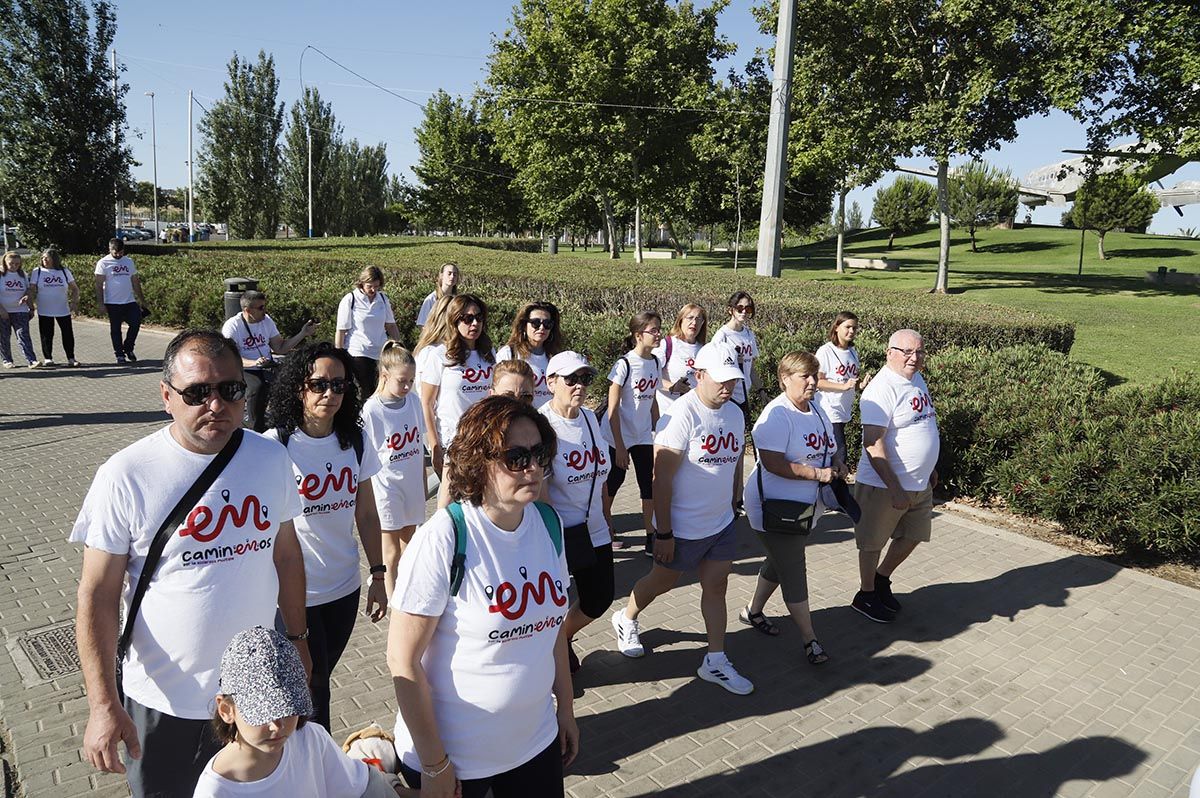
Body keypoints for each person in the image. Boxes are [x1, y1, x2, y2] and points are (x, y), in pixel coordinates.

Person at [71, 329, 308, 797]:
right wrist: (102, 704)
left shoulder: (270, 457)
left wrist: (298, 642)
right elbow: (96, 594)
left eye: (230, 389)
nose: (216, 404)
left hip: (253, 695)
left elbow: (285, 555)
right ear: (167, 396)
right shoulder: (127, 475)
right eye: (197, 392)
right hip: (165, 699)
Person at [387, 396, 578, 797]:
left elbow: (553, 631)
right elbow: (402, 660)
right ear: (479, 461)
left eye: (539, 454)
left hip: (536, 742)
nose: (533, 468)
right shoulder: (444, 537)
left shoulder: (548, 523)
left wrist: (567, 710)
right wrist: (434, 763)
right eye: (516, 457)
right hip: (458, 760)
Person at [611, 342, 755, 695]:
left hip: (720, 523)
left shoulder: (735, 413)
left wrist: (736, 498)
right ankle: (626, 617)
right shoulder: (681, 416)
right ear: (699, 376)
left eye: (733, 380)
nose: (728, 386)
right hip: (682, 528)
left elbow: (735, 458)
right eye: (721, 380)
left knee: (716, 586)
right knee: (660, 582)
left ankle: (715, 660)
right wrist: (663, 532)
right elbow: (660, 479)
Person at [264, 341, 389, 731]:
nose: (329, 394)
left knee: (319, 679)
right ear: (299, 387)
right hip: (296, 594)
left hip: (345, 587)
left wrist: (379, 574)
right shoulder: (274, 446)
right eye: (318, 384)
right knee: (314, 687)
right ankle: (314, 768)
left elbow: (367, 514)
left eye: (339, 385)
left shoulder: (355, 441)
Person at [195, 626, 411, 797]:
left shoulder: (311, 738)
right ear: (226, 710)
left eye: (288, 708)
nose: (276, 725)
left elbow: (363, 787)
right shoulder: (215, 792)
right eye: (262, 712)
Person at [741, 351, 847, 665]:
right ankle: (810, 640)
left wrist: (837, 463)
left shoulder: (816, 409)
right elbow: (773, 463)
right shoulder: (776, 415)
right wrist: (816, 473)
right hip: (773, 509)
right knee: (793, 569)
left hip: (804, 510)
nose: (813, 382)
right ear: (785, 379)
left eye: (815, 375)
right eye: (805, 376)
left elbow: (828, 447)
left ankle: (753, 611)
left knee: (779, 561)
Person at [851, 329, 940, 624]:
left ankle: (881, 579)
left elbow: (923, 423)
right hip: (883, 485)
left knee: (914, 535)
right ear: (890, 353)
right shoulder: (881, 388)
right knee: (872, 543)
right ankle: (865, 595)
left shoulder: (916, 378)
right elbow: (873, 442)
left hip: (919, 483)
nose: (914, 358)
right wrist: (894, 488)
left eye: (919, 352)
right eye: (907, 352)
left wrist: (930, 467)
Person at [539, 352, 613, 675]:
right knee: (551, 607)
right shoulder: (542, 426)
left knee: (600, 598)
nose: (579, 386)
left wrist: (608, 517)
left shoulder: (589, 419)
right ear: (551, 381)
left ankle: (562, 639)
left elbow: (602, 474)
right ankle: (549, 659)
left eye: (585, 379)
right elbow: (539, 492)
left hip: (593, 528)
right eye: (571, 379)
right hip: (559, 535)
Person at [360, 342, 426, 598]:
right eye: (402, 381)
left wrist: (421, 482)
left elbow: (418, 446)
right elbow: (369, 455)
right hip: (387, 487)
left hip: (411, 484)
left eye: (411, 380)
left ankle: (407, 592)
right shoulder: (372, 409)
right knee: (391, 551)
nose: (408, 386)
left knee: (409, 546)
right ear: (384, 376)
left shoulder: (413, 401)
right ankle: (391, 598)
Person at [600, 311, 662, 554]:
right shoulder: (624, 364)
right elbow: (612, 410)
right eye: (653, 330)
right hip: (617, 436)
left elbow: (653, 399)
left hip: (643, 435)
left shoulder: (655, 362)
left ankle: (651, 535)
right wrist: (620, 446)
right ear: (639, 335)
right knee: (613, 482)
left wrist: (659, 431)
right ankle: (605, 529)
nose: (658, 334)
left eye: (659, 329)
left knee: (649, 483)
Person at [220, 290, 318, 431]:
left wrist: (303, 333)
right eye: (260, 308)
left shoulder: (266, 321)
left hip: (266, 365)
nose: (264, 311)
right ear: (247, 310)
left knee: (293, 381)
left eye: (265, 306)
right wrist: (254, 363)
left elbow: (280, 347)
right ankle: (255, 427)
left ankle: (291, 421)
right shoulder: (233, 326)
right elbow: (231, 357)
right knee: (257, 387)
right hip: (244, 368)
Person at [420, 294, 495, 478]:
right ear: (454, 320)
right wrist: (434, 445)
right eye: (468, 319)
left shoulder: (489, 353)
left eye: (479, 317)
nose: (475, 323)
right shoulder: (439, 355)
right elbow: (427, 403)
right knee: (451, 499)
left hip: (485, 440)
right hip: (453, 442)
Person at [710, 291, 764, 512]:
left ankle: (736, 497)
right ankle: (725, 498)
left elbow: (753, 368)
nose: (744, 312)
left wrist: (761, 389)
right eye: (740, 308)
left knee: (740, 449)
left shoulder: (749, 334)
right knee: (730, 449)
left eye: (748, 308)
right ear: (730, 309)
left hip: (744, 398)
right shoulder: (722, 336)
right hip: (728, 398)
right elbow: (714, 369)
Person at [335, 266, 401, 399]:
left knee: (381, 392)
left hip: (380, 353)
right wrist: (338, 356)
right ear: (362, 283)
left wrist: (399, 345)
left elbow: (391, 325)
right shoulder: (350, 299)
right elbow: (341, 330)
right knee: (364, 393)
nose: (373, 290)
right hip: (358, 352)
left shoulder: (382, 299)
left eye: (376, 286)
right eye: (370, 286)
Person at [815, 311, 869, 457]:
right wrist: (843, 387)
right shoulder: (826, 351)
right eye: (848, 327)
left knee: (833, 454)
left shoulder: (852, 352)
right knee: (840, 452)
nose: (851, 331)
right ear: (837, 327)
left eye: (855, 328)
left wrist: (861, 385)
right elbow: (817, 382)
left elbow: (851, 382)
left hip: (844, 409)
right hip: (829, 409)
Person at [496, 301, 563, 408]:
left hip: (548, 420)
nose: (541, 328)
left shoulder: (556, 357)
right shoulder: (509, 353)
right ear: (523, 325)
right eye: (535, 323)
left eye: (547, 324)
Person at [94, 237, 146, 364]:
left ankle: (128, 348)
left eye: (120, 252)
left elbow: (135, 281)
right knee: (116, 329)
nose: (118, 255)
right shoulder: (103, 263)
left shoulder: (128, 262)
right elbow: (98, 284)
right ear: (109, 249)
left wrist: (142, 299)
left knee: (135, 323)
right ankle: (119, 354)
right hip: (112, 302)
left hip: (129, 301)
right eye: (115, 253)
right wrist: (100, 303)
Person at [26, 248, 80, 367]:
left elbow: (75, 288)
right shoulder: (38, 271)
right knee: (46, 334)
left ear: (54, 259)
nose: (44, 259)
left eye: (47, 257)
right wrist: (29, 301)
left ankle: (71, 358)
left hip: (63, 309)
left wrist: (74, 302)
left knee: (67, 334)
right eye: (43, 257)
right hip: (45, 309)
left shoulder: (64, 271)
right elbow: (32, 288)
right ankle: (48, 358)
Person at [653, 303, 706, 415]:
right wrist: (673, 387)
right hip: (668, 414)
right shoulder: (667, 344)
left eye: (698, 319)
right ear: (681, 320)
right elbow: (650, 375)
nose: (694, 322)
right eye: (690, 318)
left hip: (694, 413)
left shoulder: (704, 349)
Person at [1, 251, 36, 368]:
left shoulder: (23, 275)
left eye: (17, 264)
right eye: (11, 264)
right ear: (5, 262)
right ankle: (7, 360)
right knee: (4, 337)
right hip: (4, 312)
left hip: (20, 310)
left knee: (23, 335)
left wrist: (31, 307)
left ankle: (31, 360)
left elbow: (28, 290)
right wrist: (1, 310)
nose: (14, 266)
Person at [415, 262, 460, 328]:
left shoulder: (457, 300)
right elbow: (422, 324)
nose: (452, 276)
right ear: (441, 276)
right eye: (449, 273)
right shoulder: (431, 299)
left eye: (455, 274)